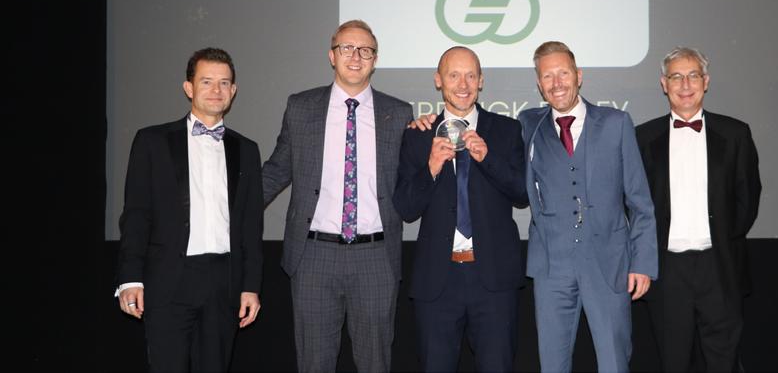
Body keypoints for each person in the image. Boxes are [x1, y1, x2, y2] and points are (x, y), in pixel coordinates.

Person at [262, 20, 412, 372]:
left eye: (365, 50)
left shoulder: (398, 113)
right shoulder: (301, 107)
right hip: (314, 255)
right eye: (347, 48)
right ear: (332, 56)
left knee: (376, 363)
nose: (356, 57)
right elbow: (277, 170)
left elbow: (412, 179)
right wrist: (229, 210)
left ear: (375, 60)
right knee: (314, 363)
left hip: (375, 258)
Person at [115, 47, 263, 372]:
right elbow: (136, 214)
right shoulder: (152, 142)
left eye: (224, 83)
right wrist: (130, 279)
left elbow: (251, 227)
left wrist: (251, 286)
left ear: (233, 91)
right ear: (189, 88)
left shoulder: (247, 150)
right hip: (168, 280)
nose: (216, 90)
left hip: (223, 283)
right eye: (206, 81)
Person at [518, 40, 657, 372]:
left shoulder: (615, 123)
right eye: (547, 76)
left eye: (563, 73)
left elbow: (639, 200)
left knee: (613, 362)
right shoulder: (528, 125)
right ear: (539, 84)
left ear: (578, 75)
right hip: (551, 266)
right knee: (552, 364)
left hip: (608, 263)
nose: (557, 83)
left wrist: (642, 263)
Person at [393, 46, 527, 372]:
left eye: (470, 75)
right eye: (454, 75)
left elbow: (523, 194)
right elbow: (406, 208)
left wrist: (488, 159)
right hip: (437, 281)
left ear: (481, 81)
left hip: (494, 280)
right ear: (438, 80)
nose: (463, 84)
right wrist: (431, 167)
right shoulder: (418, 135)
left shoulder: (506, 130)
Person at [636, 47, 761, 372]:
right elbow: (633, 203)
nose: (685, 84)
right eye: (676, 76)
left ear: (706, 81)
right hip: (667, 271)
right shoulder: (642, 137)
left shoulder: (735, 134)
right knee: (674, 362)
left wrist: (723, 239)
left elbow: (748, 198)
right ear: (664, 84)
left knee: (724, 362)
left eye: (693, 75)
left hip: (719, 267)